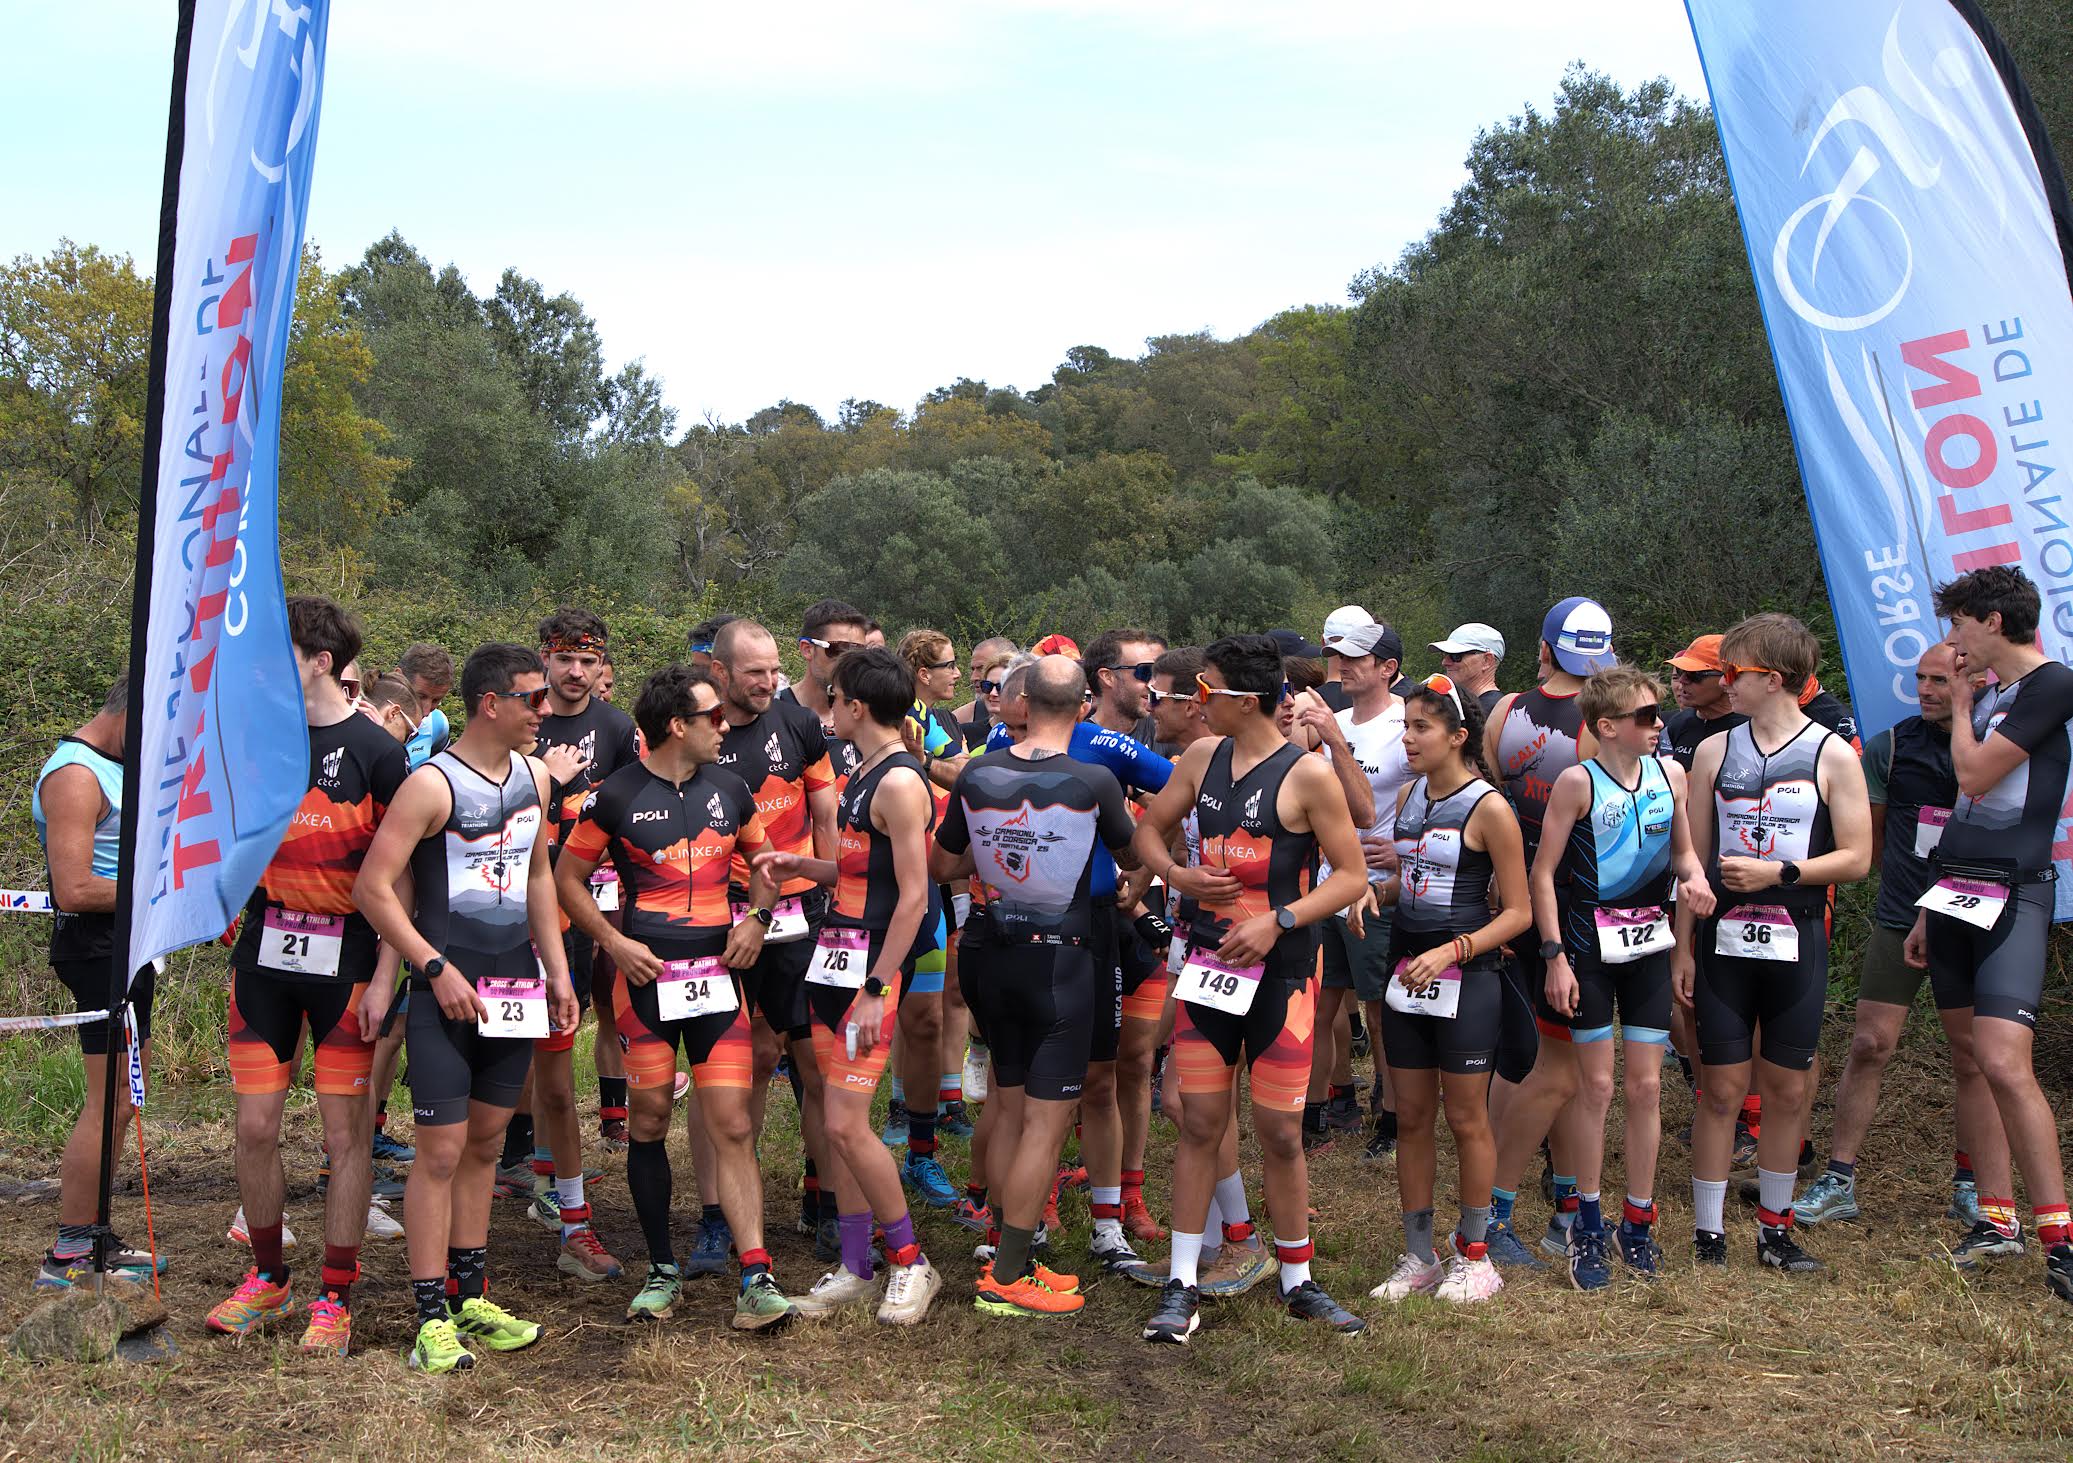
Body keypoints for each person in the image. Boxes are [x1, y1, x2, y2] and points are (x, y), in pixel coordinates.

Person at [1132, 634, 1371, 1344]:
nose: (1194, 701)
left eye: (1203, 689)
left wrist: (1279, 919)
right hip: (1208, 969)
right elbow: (1149, 830)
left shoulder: (1307, 775)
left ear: (1242, 698)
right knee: (1201, 1122)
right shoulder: (1201, 757)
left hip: (1285, 974)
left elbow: (1352, 876)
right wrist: (1176, 877)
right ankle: (1181, 1280)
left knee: (1278, 1133)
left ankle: (1298, 1278)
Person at [354, 643, 581, 1374]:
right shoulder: (430, 784)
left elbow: (539, 875)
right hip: (447, 985)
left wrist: (557, 968)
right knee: (442, 1151)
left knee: (486, 1143)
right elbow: (374, 888)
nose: (544, 711)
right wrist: (431, 966)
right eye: (533, 699)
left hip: (514, 986)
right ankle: (428, 1315)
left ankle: (470, 1290)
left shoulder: (536, 777)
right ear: (492, 703)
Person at [556, 664, 796, 1329]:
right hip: (645, 984)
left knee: (735, 1122)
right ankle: (662, 1269)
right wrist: (611, 939)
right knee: (651, 1119)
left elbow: (767, 866)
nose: (725, 726)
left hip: (718, 980)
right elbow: (567, 878)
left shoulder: (731, 787)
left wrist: (756, 919)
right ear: (676, 725)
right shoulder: (615, 796)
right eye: (712, 717)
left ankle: (756, 1272)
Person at [201, 598, 409, 1356]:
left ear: (319, 659)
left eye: (276, 652)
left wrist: (389, 974)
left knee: (343, 1133)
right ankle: (268, 1276)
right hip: (266, 954)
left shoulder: (377, 752)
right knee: (254, 1125)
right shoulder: (258, 743)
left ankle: (337, 1291)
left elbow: (404, 879)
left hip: (350, 962)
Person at [933, 654, 1142, 1317]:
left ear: (1019, 701)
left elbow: (944, 861)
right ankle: (1008, 1274)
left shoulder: (977, 772)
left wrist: (998, 848)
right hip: (1060, 963)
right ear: (1082, 705)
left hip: (988, 954)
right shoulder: (1093, 779)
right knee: (1044, 1125)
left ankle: (1004, 1246)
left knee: (1008, 1098)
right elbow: (1133, 858)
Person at [1677, 613, 1871, 1274]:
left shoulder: (1830, 752)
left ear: (1776, 678)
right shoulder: (1712, 751)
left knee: (1788, 1090)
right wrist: (1681, 947)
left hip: (1795, 933)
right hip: (1721, 938)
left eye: (1736, 672)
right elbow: (1692, 863)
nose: (1723, 683)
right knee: (1720, 1088)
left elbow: (1855, 857)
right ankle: (1707, 1237)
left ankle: (1774, 1233)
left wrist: (1781, 872)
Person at [754, 647, 943, 1325]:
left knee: (842, 1123)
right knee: (838, 1129)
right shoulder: (858, 770)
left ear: (856, 706)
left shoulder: (898, 781)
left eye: (831, 698)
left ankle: (911, 1260)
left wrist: (874, 985)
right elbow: (863, 876)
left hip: (868, 973)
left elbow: (915, 898)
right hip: (832, 958)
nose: (822, 708)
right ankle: (859, 1267)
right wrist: (801, 862)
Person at [1908, 567, 2073, 1299]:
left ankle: (2060, 1238)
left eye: (1957, 629)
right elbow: (1960, 808)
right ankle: (1995, 1218)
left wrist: (1965, 703)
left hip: (2012, 894)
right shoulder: (1999, 694)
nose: (1952, 645)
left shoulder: (2048, 685)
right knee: (1970, 1057)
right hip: (1952, 892)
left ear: (1992, 624)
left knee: (2007, 1062)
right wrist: (1923, 906)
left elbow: (1972, 775)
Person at [1530, 666, 1711, 1287]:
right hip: (1587, 946)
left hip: (1648, 946)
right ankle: (1585, 1222)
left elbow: (1684, 849)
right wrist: (1554, 955)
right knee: (1596, 1087)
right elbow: (1543, 874)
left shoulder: (1672, 774)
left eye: (1658, 713)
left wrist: (1695, 879)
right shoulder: (1577, 783)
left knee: (1646, 1088)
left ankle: (1637, 1222)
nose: (1659, 724)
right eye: (1645, 717)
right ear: (1607, 727)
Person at [1796, 645, 1981, 1229]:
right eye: (1920, 679)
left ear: (1974, 683)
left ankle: (1972, 1184)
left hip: (1976, 920)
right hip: (1902, 916)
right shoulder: (1891, 747)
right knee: (1870, 1044)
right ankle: (1839, 1178)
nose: (1925, 690)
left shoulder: (1996, 747)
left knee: (1974, 1058)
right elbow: (1869, 848)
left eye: (1939, 681)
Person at [1368, 676, 1533, 1305]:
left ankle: (1476, 1254)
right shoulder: (1411, 795)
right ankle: (1419, 1255)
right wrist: (1372, 893)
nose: (1407, 739)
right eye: (1404, 727)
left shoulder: (1488, 806)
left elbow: (1517, 911)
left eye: (1420, 728)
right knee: (1411, 1115)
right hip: (1407, 971)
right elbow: (1414, 880)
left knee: (1465, 1116)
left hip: (1466, 975)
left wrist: (1452, 950)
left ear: (1458, 737)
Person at [1482, 596, 1614, 1267]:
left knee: (1527, 1055)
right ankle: (1495, 1211)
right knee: (1563, 1070)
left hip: (1510, 894)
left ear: (1541, 649)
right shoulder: (1600, 727)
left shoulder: (1503, 711)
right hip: (1569, 904)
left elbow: (1494, 794)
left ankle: (1562, 1204)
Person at [710, 617, 840, 1266]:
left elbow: (824, 817)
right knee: (741, 1064)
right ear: (720, 672)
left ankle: (825, 1200)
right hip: (720, 922)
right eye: (752, 671)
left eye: (772, 670)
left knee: (813, 1061)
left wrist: (832, 893)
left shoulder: (799, 726)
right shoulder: (697, 729)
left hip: (799, 917)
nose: (767, 682)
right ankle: (722, 1212)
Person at [515, 608, 638, 1279]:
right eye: (563, 658)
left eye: (587, 660)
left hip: (581, 897)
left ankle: (553, 1183)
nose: (573, 671)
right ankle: (531, 1167)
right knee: (519, 1055)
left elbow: (624, 815)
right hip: (513, 906)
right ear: (546, 658)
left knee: (569, 1028)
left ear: (601, 667)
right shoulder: (521, 715)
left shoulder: (617, 728)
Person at [31, 670, 164, 1292]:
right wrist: (163, 896)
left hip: (127, 945)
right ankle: (69, 1247)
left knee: (123, 1099)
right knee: (106, 1099)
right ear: (127, 717)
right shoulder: (76, 774)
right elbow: (74, 888)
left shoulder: (113, 765)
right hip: (97, 948)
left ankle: (96, 1231)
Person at [1078, 628, 1176, 1257]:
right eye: (1144, 673)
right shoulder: (1068, 734)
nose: (1155, 687)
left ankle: (1128, 1193)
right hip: (1082, 920)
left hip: (1140, 915)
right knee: (1082, 1072)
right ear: (1106, 677)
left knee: (1136, 1062)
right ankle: (1059, 1188)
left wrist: (1141, 877)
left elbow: (1196, 812)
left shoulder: (1159, 747)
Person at [1306, 613, 1406, 1158]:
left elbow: (1430, 795)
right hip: (1329, 884)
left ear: (1388, 668)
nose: (1339, 666)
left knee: (1378, 1010)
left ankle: (1392, 1122)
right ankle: (1316, 1112)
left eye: (1354, 659)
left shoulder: (1404, 724)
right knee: (1321, 1003)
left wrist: (1406, 851)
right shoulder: (1332, 718)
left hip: (1379, 889)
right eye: (1335, 657)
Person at [399, 643, 456, 770]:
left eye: (436, 700)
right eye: (420, 696)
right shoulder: (363, 717)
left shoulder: (437, 723)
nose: (425, 710)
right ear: (399, 677)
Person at [1430, 624, 1506, 717]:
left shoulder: (1492, 713)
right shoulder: (1467, 708)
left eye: (1456, 655)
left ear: (1487, 661)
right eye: (1444, 654)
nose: (1445, 662)